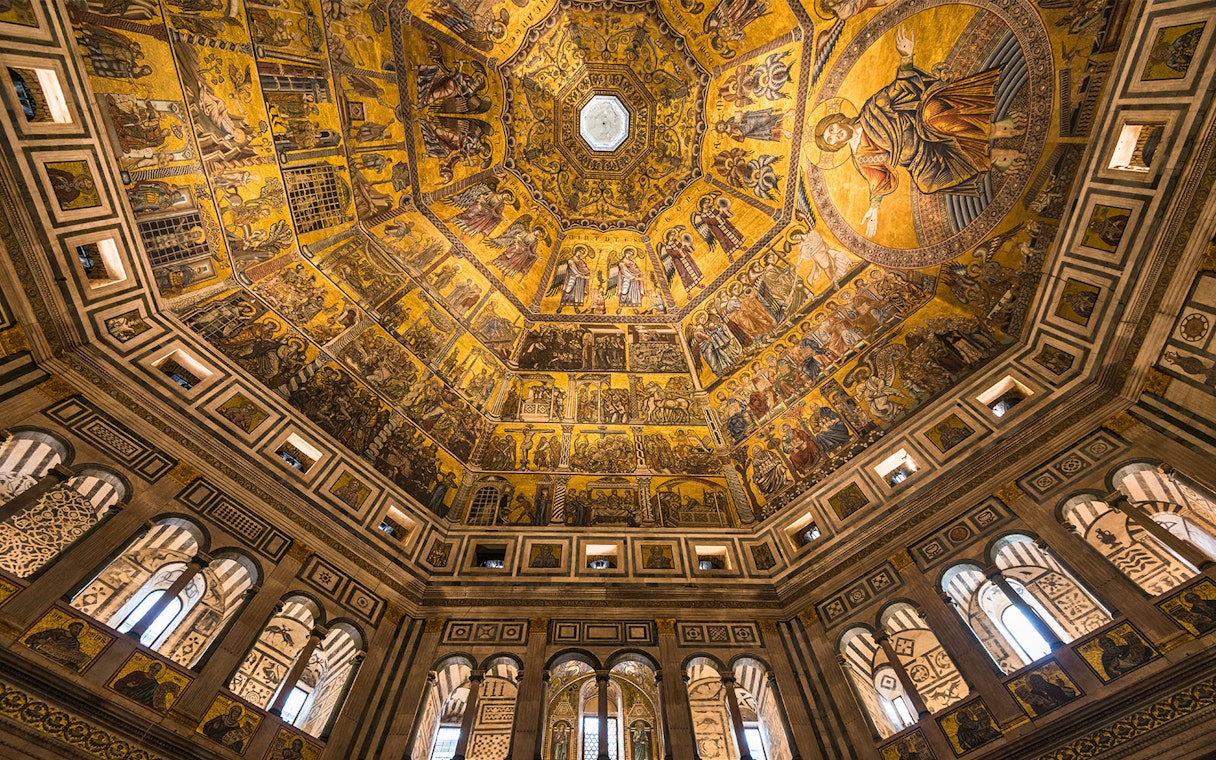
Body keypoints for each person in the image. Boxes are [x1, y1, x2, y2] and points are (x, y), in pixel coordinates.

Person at [813, 26, 1023, 238]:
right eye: (831, 140)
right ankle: (991, 157)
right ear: (835, 146)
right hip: (919, 158)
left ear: (837, 121)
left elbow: (899, 89)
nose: (835, 135)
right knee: (927, 184)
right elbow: (878, 180)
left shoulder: (872, 109)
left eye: (831, 129)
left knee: (934, 117)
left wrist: (906, 57)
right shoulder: (861, 157)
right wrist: (874, 208)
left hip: (920, 123)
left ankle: (995, 129)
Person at [24, 620, 90, 670]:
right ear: (70, 627)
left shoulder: (75, 644)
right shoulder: (56, 632)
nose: (78, 630)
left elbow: (72, 661)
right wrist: (38, 640)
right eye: (76, 627)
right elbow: (29, 639)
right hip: (35, 656)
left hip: (53, 666)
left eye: (80, 629)